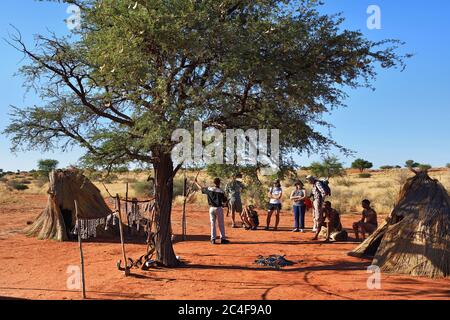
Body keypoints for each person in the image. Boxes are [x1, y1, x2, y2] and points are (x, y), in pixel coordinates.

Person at [194, 177, 230, 245]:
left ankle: (213, 239)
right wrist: (225, 202)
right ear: (219, 183)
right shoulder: (221, 191)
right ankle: (222, 239)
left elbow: (201, 188)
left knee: (213, 224)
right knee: (221, 224)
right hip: (219, 208)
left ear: (214, 183)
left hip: (211, 209)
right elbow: (224, 202)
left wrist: (196, 182)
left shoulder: (209, 189)